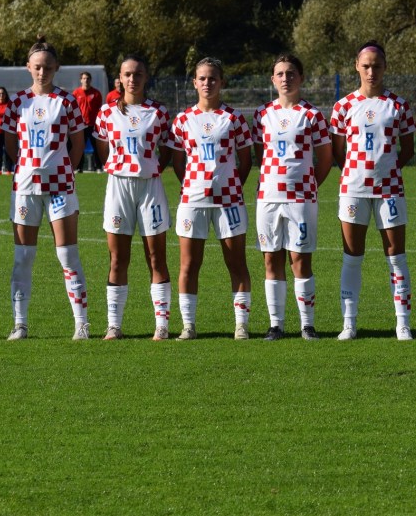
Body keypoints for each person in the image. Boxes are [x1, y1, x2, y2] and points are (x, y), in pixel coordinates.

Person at [2, 37, 90, 341]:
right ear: (29, 67)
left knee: (68, 255)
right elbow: (11, 144)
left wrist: (65, 167)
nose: (42, 73)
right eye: (37, 67)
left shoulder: (67, 102)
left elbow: (77, 143)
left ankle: (81, 323)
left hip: (61, 186)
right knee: (23, 258)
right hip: (25, 187)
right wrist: (28, 167)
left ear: (56, 69)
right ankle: (20, 324)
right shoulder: (17, 102)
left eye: (48, 68)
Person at [330, 40, 416, 340]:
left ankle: (402, 323)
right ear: (357, 67)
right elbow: (338, 152)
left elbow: (407, 150)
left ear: (385, 68)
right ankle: (349, 323)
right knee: (352, 256)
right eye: (366, 66)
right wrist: (357, 174)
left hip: (390, 190)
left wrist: (387, 170)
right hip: (353, 190)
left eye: (376, 66)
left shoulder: (399, 106)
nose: (371, 71)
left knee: (396, 256)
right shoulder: (343, 106)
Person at [170, 57, 254, 340]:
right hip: (192, 201)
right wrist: (196, 186)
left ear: (222, 82)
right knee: (189, 264)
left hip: (229, 201)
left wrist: (228, 185)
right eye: (202, 78)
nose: (207, 83)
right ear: (194, 83)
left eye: (212, 78)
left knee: (237, 263)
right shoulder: (182, 120)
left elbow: (245, 161)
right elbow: (178, 163)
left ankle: (241, 324)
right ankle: (188, 326)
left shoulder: (234, 118)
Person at [94, 54, 177, 340]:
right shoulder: (106, 113)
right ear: (119, 78)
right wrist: (120, 167)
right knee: (118, 258)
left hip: (150, 187)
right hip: (118, 186)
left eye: (138, 73)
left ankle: (162, 325)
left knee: (156, 257)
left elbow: (167, 149)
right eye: (128, 74)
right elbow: (102, 148)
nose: (133, 79)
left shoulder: (158, 112)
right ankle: (114, 325)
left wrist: (152, 167)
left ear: (146, 77)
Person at [251, 54, 332, 341]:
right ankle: (276, 325)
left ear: (301, 77)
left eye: (291, 73)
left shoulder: (312, 115)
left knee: (300, 259)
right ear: (273, 79)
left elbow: (325, 158)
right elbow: (260, 155)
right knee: (271, 259)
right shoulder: (262, 114)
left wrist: (308, 183)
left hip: (301, 198)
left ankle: (307, 325)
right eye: (280, 74)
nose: (286, 78)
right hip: (269, 197)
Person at [72, 72, 103, 171]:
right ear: (81, 80)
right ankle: (78, 168)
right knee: (79, 146)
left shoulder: (96, 93)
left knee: (96, 147)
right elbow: (73, 108)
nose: (86, 80)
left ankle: (98, 167)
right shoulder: (76, 93)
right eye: (84, 78)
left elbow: (99, 109)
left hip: (93, 125)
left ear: (90, 80)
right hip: (81, 125)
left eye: (88, 78)